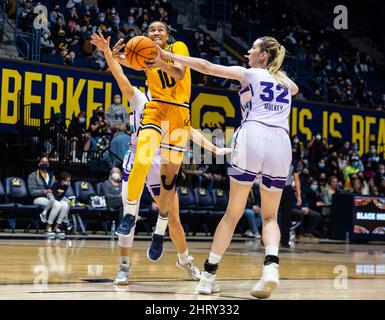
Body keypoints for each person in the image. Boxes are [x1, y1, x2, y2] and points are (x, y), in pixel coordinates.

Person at [156, 36, 299, 298]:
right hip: (281, 141)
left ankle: (208, 277)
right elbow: (295, 89)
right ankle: (270, 269)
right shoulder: (287, 82)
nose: (248, 51)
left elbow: (206, 66)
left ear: (263, 56)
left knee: (233, 213)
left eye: (253, 48)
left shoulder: (250, 73)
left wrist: (169, 57)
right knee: (270, 216)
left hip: (253, 135)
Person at [89, 32, 231, 285]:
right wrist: (106, 52)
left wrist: (214, 148)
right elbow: (118, 73)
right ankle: (123, 267)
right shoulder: (138, 98)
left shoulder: (173, 105)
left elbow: (188, 130)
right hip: (136, 158)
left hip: (160, 163)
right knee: (127, 216)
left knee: (174, 220)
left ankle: (185, 261)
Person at [110, 21, 195, 263]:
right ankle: (129, 214)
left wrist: (159, 61)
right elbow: (128, 63)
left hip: (179, 113)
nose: (155, 33)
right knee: (142, 157)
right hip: (156, 110)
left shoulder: (178, 47)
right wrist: (113, 56)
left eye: (160, 30)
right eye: (150, 31)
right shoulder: (145, 52)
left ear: (168, 35)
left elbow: (179, 73)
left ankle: (159, 233)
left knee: (169, 184)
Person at [50, 171, 72, 236]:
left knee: (68, 202)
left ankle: (65, 216)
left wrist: (61, 200)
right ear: (62, 180)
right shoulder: (55, 184)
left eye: (69, 181)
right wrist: (59, 201)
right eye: (67, 181)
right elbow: (53, 194)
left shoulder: (66, 186)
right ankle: (51, 227)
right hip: (53, 198)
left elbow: (63, 195)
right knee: (59, 205)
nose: (68, 182)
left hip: (60, 198)